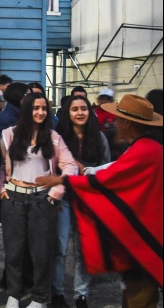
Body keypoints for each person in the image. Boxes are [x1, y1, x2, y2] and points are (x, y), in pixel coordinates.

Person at [35, 94, 163, 308]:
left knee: (140, 294)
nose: (114, 123)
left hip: (145, 237)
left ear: (128, 122)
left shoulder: (144, 150)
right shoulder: (147, 147)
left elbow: (108, 178)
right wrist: (85, 172)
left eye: (118, 119)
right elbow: (111, 170)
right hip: (148, 230)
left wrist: (64, 179)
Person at [0, 93, 78, 308]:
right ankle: (13, 294)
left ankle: (40, 298)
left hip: (42, 199)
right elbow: (2, 166)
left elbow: (71, 166)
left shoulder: (53, 137)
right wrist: (0, 188)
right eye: (35, 108)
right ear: (26, 110)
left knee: (41, 253)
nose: (40, 112)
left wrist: (55, 191)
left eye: (44, 108)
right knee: (13, 251)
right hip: (13, 197)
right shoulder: (8, 135)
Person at [51, 95, 111, 308]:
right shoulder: (60, 138)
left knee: (83, 250)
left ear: (89, 112)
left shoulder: (99, 138)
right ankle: (56, 294)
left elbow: (106, 170)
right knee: (59, 248)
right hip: (64, 198)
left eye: (83, 108)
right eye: (75, 109)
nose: (79, 112)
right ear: (68, 113)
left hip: (88, 201)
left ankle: (80, 295)